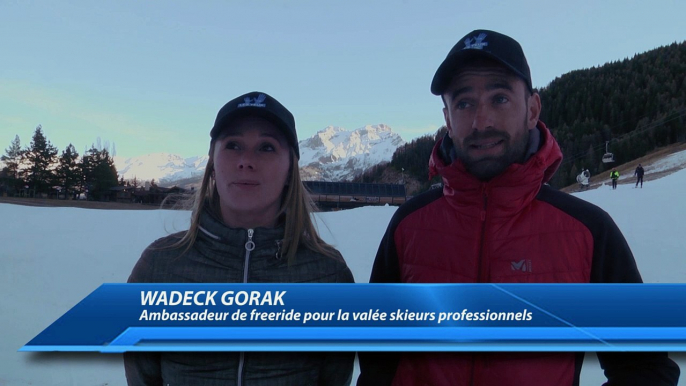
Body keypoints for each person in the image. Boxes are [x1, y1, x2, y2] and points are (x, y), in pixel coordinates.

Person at [357, 29, 679, 386]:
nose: (482, 122)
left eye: (500, 98)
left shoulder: (588, 230)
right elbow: (376, 363)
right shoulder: (408, 226)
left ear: (532, 109)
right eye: (464, 103)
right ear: (448, 119)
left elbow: (646, 369)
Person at [124, 91, 355, 385]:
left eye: (267, 147)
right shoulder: (159, 268)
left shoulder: (329, 276)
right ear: (212, 164)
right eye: (233, 145)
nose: (246, 160)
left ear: (289, 170)